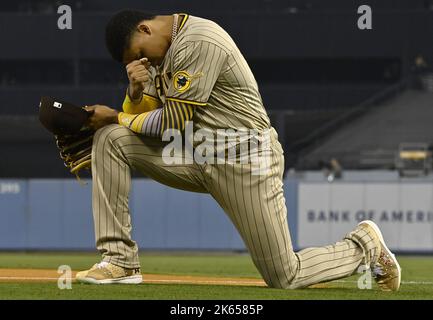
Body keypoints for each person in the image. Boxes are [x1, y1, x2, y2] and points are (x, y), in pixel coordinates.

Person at [76, 10, 401, 290]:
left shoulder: (198, 41)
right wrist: (133, 93)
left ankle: (364, 245)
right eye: (133, 61)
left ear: (145, 29)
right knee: (111, 139)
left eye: (137, 53)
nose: (141, 61)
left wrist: (116, 115)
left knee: (285, 275)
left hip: (245, 161)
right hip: (198, 156)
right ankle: (120, 261)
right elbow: (144, 115)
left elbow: (172, 123)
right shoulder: (159, 52)